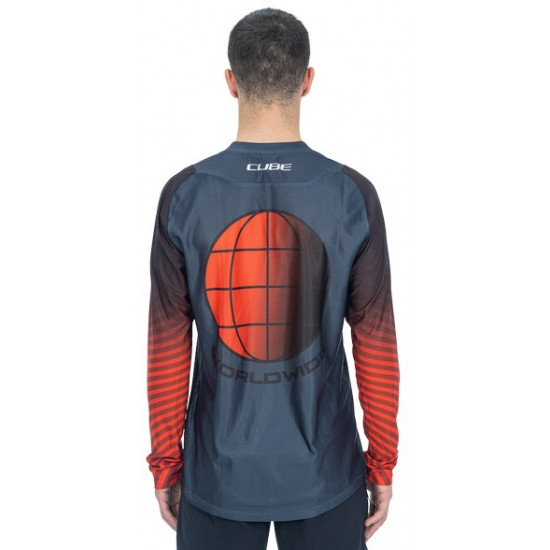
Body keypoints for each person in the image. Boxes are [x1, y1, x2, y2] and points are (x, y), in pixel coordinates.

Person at [145, 7, 400, 550]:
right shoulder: (353, 195)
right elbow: (376, 342)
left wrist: (166, 464)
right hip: (327, 474)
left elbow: (167, 344)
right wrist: (381, 463)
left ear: (230, 82)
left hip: (217, 476)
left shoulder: (183, 195)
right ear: (307, 81)